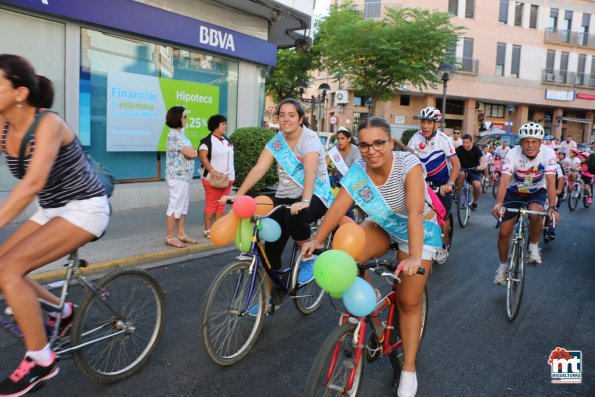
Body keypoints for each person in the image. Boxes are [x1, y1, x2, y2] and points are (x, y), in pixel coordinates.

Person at [302, 116, 442, 397]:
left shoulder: (408, 165)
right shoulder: (358, 170)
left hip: (419, 231)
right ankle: (369, 303)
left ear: (390, 143)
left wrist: (414, 257)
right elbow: (339, 206)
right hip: (384, 224)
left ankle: (409, 369)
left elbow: (414, 213)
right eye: (364, 145)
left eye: (379, 143)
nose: (371, 150)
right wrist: (317, 239)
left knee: (408, 302)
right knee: (348, 253)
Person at [0, 54, 111, 395]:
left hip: (85, 208)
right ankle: (62, 311)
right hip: (52, 209)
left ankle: (40, 360)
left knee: (9, 272)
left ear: (19, 93)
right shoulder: (5, 126)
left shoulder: (48, 123)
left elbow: (32, 184)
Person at [222, 98, 332, 284]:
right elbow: (259, 168)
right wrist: (238, 195)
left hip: (315, 194)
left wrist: (305, 201)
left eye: (291, 115)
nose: (286, 119)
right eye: (282, 115)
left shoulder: (309, 139)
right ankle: (272, 295)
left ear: (300, 118)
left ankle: (309, 258)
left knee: (293, 216)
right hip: (286, 196)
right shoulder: (277, 141)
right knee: (271, 248)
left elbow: (310, 171)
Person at [492, 122, 559, 284]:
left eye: (534, 141)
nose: (530, 145)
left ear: (540, 143)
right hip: (513, 192)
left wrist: (552, 206)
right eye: (526, 141)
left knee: (536, 212)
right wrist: (498, 203)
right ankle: (502, 267)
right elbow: (504, 179)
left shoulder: (549, 153)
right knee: (504, 232)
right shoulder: (512, 154)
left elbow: (551, 181)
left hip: (536, 192)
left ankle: (533, 247)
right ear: (520, 143)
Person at [408, 107, 460, 250]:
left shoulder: (443, 139)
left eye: (429, 122)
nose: (425, 126)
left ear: (436, 124)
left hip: (442, 184)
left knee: (443, 217)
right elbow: (407, 159)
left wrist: (449, 183)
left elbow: (456, 164)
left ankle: (442, 246)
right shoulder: (415, 138)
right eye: (423, 122)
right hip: (423, 183)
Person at [164, 106, 198, 248]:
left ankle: (181, 234)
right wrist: (193, 151)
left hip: (183, 176)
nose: (186, 119)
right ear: (177, 118)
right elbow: (192, 153)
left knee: (182, 206)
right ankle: (170, 237)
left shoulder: (179, 134)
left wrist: (192, 151)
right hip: (177, 176)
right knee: (175, 206)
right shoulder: (174, 136)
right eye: (185, 116)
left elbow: (190, 151)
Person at [198, 114, 234, 238]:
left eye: (225, 123)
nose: (225, 126)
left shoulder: (226, 140)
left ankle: (218, 228)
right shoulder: (207, 142)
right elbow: (202, 157)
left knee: (221, 204)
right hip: (212, 180)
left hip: (227, 179)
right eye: (223, 124)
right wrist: (213, 171)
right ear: (215, 126)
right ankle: (208, 230)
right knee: (212, 204)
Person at [456, 134, 485, 211]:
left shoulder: (476, 149)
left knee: (477, 185)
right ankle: (458, 195)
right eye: (463, 142)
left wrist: (481, 165)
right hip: (463, 169)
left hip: (474, 170)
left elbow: (482, 158)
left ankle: (475, 202)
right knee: (461, 174)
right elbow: (453, 159)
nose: (465, 144)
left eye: (467, 142)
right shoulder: (459, 149)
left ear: (471, 142)